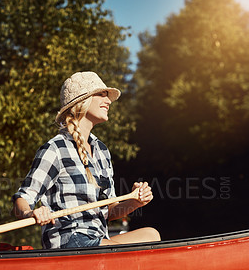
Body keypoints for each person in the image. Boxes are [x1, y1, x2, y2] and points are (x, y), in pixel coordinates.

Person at [13, 71, 160, 248]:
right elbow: (23, 197)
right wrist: (31, 213)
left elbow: (110, 211)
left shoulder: (102, 151)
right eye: (102, 94)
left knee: (151, 235)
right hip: (70, 240)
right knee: (116, 249)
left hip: (98, 239)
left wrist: (135, 201)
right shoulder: (55, 149)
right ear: (81, 101)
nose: (108, 101)